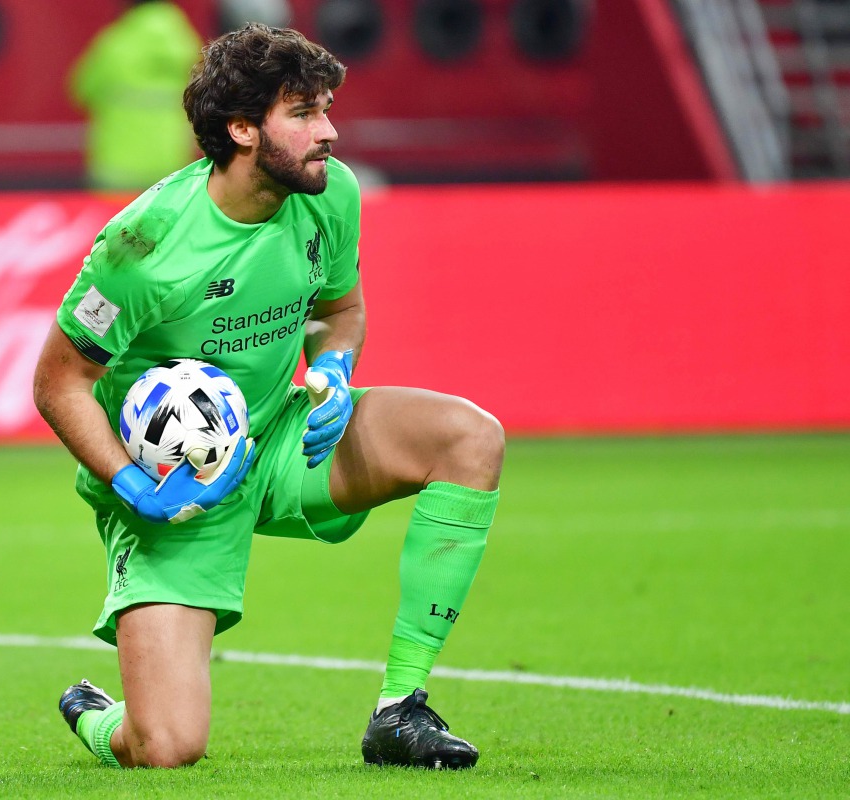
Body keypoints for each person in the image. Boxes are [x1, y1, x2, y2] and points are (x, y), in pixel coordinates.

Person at [33, 23, 504, 770]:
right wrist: (131, 484)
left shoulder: (329, 193)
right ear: (243, 129)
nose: (331, 131)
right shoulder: (144, 247)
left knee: (470, 437)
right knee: (167, 747)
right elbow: (60, 381)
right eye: (306, 113)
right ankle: (99, 717)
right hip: (173, 485)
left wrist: (335, 374)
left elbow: (338, 312)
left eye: (326, 109)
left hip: (282, 436)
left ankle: (400, 711)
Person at [68, 0, 202, 191]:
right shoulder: (187, 47)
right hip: (171, 170)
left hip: (117, 171)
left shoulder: (116, 45)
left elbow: (80, 90)